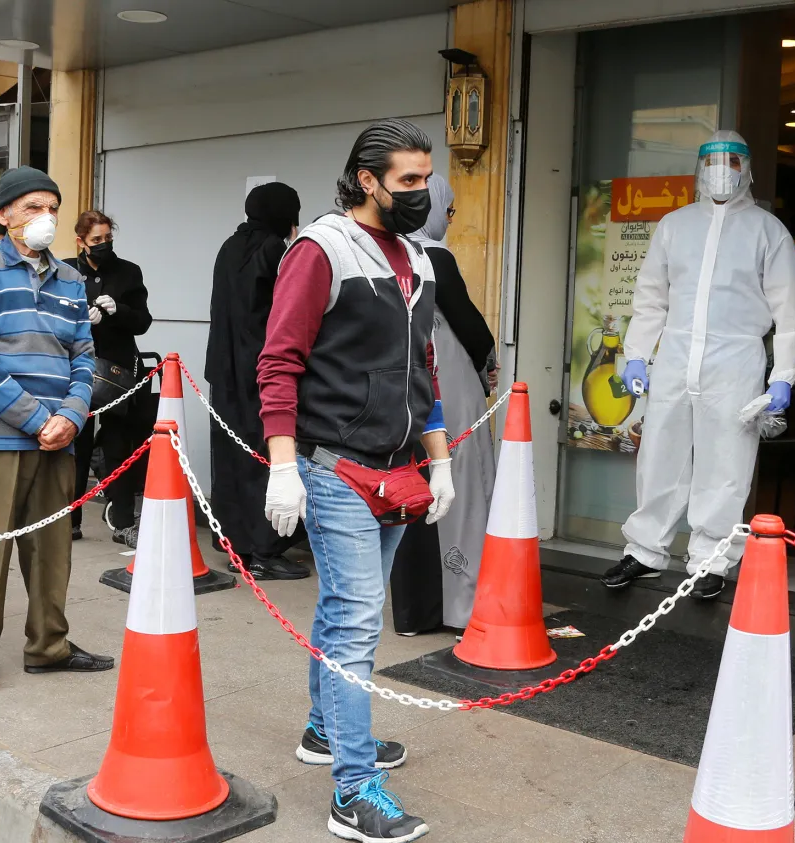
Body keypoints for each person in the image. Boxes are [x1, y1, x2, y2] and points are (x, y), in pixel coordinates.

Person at [259, 118, 456, 843]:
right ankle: (351, 789)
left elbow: (423, 368)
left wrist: (440, 459)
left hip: (396, 468)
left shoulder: (420, 260)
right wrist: (284, 465)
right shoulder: (321, 249)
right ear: (366, 180)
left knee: (347, 611)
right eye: (408, 180)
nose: (421, 192)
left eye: (426, 179)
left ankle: (324, 728)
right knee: (355, 619)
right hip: (334, 464)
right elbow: (278, 362)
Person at [600, 130, 795, 600]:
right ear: (698, 168)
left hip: (735, 359)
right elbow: (651, 298)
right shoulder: (674, 226)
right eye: (713, 161)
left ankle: (712, 560)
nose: (721, 170)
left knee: (726, 463)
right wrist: (636, 354)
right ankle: (646, 551)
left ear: (747, 169)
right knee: (660, 455)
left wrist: (783, 377)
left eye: (732, 161)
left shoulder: (766, 231)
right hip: (675, 355)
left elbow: (791, 312)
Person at [0, 166, 113, 692]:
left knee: (51, 548)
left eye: (52, 209)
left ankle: (48, 645)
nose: (45, 218)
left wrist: (72, 415)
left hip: (57, 436)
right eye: (32, 208)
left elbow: (85, 358)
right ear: (5, 215)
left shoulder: (70, 280)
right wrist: (43, 420)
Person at [390, 173, 498, 635]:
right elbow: (470, 327)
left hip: (398, 391)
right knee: (458, 485)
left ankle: (413, 612)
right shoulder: (434, 256)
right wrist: (489, 358)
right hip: (445, 387)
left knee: (409, 493)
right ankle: (460, 605)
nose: (449, 220)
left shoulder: (384, 251)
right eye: (448, 210)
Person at [204, 181, 310, 580]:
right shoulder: (276, 250)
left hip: (224, 370)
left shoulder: (229, 247)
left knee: (231, 457)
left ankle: (234, 545)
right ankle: (265, 551)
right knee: (265, 457)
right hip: (262, 370)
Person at [63, 210, 152, 546]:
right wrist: (80, 319)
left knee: (119, 445)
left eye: (107, 239)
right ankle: (69, 519)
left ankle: (123, 520)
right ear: (81, 242)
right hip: (77, 370)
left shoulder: (128, 272)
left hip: (117, 372)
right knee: (76, 445)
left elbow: (143, 321)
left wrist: (120, 311)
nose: (102, 245)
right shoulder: (65, 270)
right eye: (95, 240)